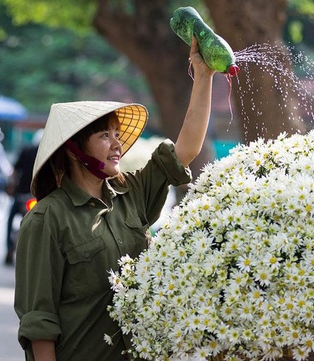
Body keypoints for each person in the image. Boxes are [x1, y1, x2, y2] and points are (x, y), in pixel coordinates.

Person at [14, 37, 215, 361]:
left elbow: (185, 150)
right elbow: (39, 322)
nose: (117, 144)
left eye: (118, 135)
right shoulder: (47, 220)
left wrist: (203, 76)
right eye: (104, 136)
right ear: (74, 150)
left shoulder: (132, 194)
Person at [4, 130, 42, 265]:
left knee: (10, 218)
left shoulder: (26, 150)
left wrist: (11, 186)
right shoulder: (51, 156)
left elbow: (15, 171)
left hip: (22, 194)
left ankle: (9, 247)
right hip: (41, 197)